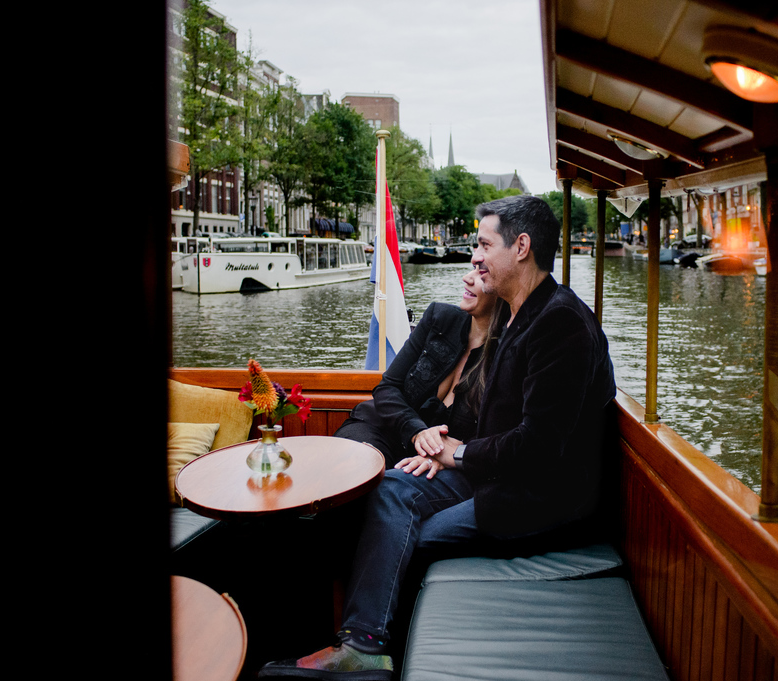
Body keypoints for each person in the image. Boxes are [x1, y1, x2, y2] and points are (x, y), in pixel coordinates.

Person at [260, 195, 615, 680]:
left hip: (540, 498)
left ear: (522, 247)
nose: (475, 257)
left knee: (413, 537)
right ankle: (363, 648)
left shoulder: (560, 322)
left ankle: (379, 652)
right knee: (390, 486)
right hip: (497, 475)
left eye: (484, 244)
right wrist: (442, 458)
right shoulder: (518, 314)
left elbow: (537, 445)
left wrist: (460, 454)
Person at [334, 268, 500, 468]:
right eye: (472, 269)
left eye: (482, 274)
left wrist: (447, 459)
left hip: (433, 458)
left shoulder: (507, 352)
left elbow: (498, 435)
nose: (467, 278)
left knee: (396, 485)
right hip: (378, 428)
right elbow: (386, 387)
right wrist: (417, 432)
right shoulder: (439, 318)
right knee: (356, 467)